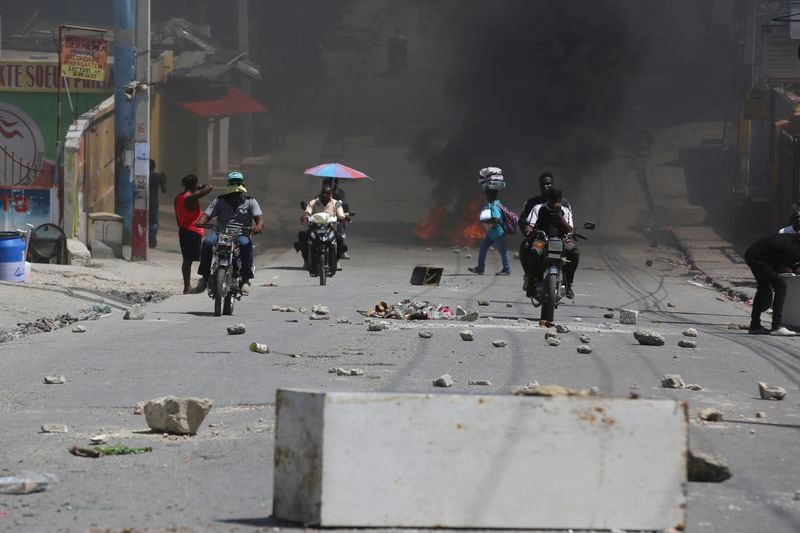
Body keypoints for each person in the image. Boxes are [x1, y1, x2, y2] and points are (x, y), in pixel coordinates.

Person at [196, 171, 264, 293]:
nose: (236, 194)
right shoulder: (219, 200)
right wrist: (201, 221)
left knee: (245, 245)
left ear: (242, 185)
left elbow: (259, 218)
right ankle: (204, 277)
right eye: (233, 184)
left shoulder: (250, 201)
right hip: (221, 233)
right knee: (207, 243)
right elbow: (206, 215)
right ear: (229, 185)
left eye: (238, 184)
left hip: (241, 234)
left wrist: (258, 226)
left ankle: (246, 279)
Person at [519, 172, 577, 297]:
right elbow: (527, 221)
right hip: (542, 240)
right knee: (533, 250)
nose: (546, 186)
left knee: (574, 252)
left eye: (549, 184)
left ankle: (568, 284)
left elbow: (569, 229)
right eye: (544, 184)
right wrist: (528, 229)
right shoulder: (537, 206)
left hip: (561, 240)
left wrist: (558, 214)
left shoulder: (565, 208)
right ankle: (531, 280)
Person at [744, 233, 800, 336]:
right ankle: (776, 326)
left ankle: (755, 326)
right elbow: (789, 265)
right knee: (781, 286)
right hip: (758, 258)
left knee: (763, 287)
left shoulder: (790, 240)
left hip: (755, 256)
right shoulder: (794, 247)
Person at [174, 174, 213, 294]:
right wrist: (200, 187)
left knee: (187, 260)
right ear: (193, 185)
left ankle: (187, 286)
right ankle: (204, 281)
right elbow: (209, 187)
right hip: (193, 231)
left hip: (183, 230)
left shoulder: (178, 197)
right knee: (202, 256)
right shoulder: (191, 197)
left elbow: (177, 215)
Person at [296, 184, 347, 269]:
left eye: (327, 193)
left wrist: (343, 218)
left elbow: (341, 215)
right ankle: (306, 261)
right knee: (303, 237)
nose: (325, 195)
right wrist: (304, 216)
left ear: (331, 194)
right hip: (315, 228)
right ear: (320, 193)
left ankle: (337, 261)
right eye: (323, 193)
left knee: (340, 240)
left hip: (330, 228)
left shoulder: (336, 203)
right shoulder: (314, 202)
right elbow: (307, 212)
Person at [468, 188, 511, 276]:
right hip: (491, 233)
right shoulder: (494, 204)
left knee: (503, 251)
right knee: (483, 248)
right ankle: (480, 268)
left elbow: (496, 219)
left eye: (487, 195)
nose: (486, 196)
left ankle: (507, 269)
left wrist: (484, 220)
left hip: (498, 233)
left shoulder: (495, 206)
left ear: (491, 196)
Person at [323, 178, 351, 259]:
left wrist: (343, 215)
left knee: (341, 230)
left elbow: (343, 207)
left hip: (334, 218)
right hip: (321, 219)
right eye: (326, 184)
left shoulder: (339, 195)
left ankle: (342, 251)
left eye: (332, 184)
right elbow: (312, 207)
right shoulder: (318, 197)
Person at [149, 159, 168, 248]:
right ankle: (152, 240)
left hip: (144, 203)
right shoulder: (157, 176)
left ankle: (148, 239)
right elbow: (164, 190)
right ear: (154, 166)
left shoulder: (143, 176)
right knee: (153, 222)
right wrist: (164, 179)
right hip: (154, 203)